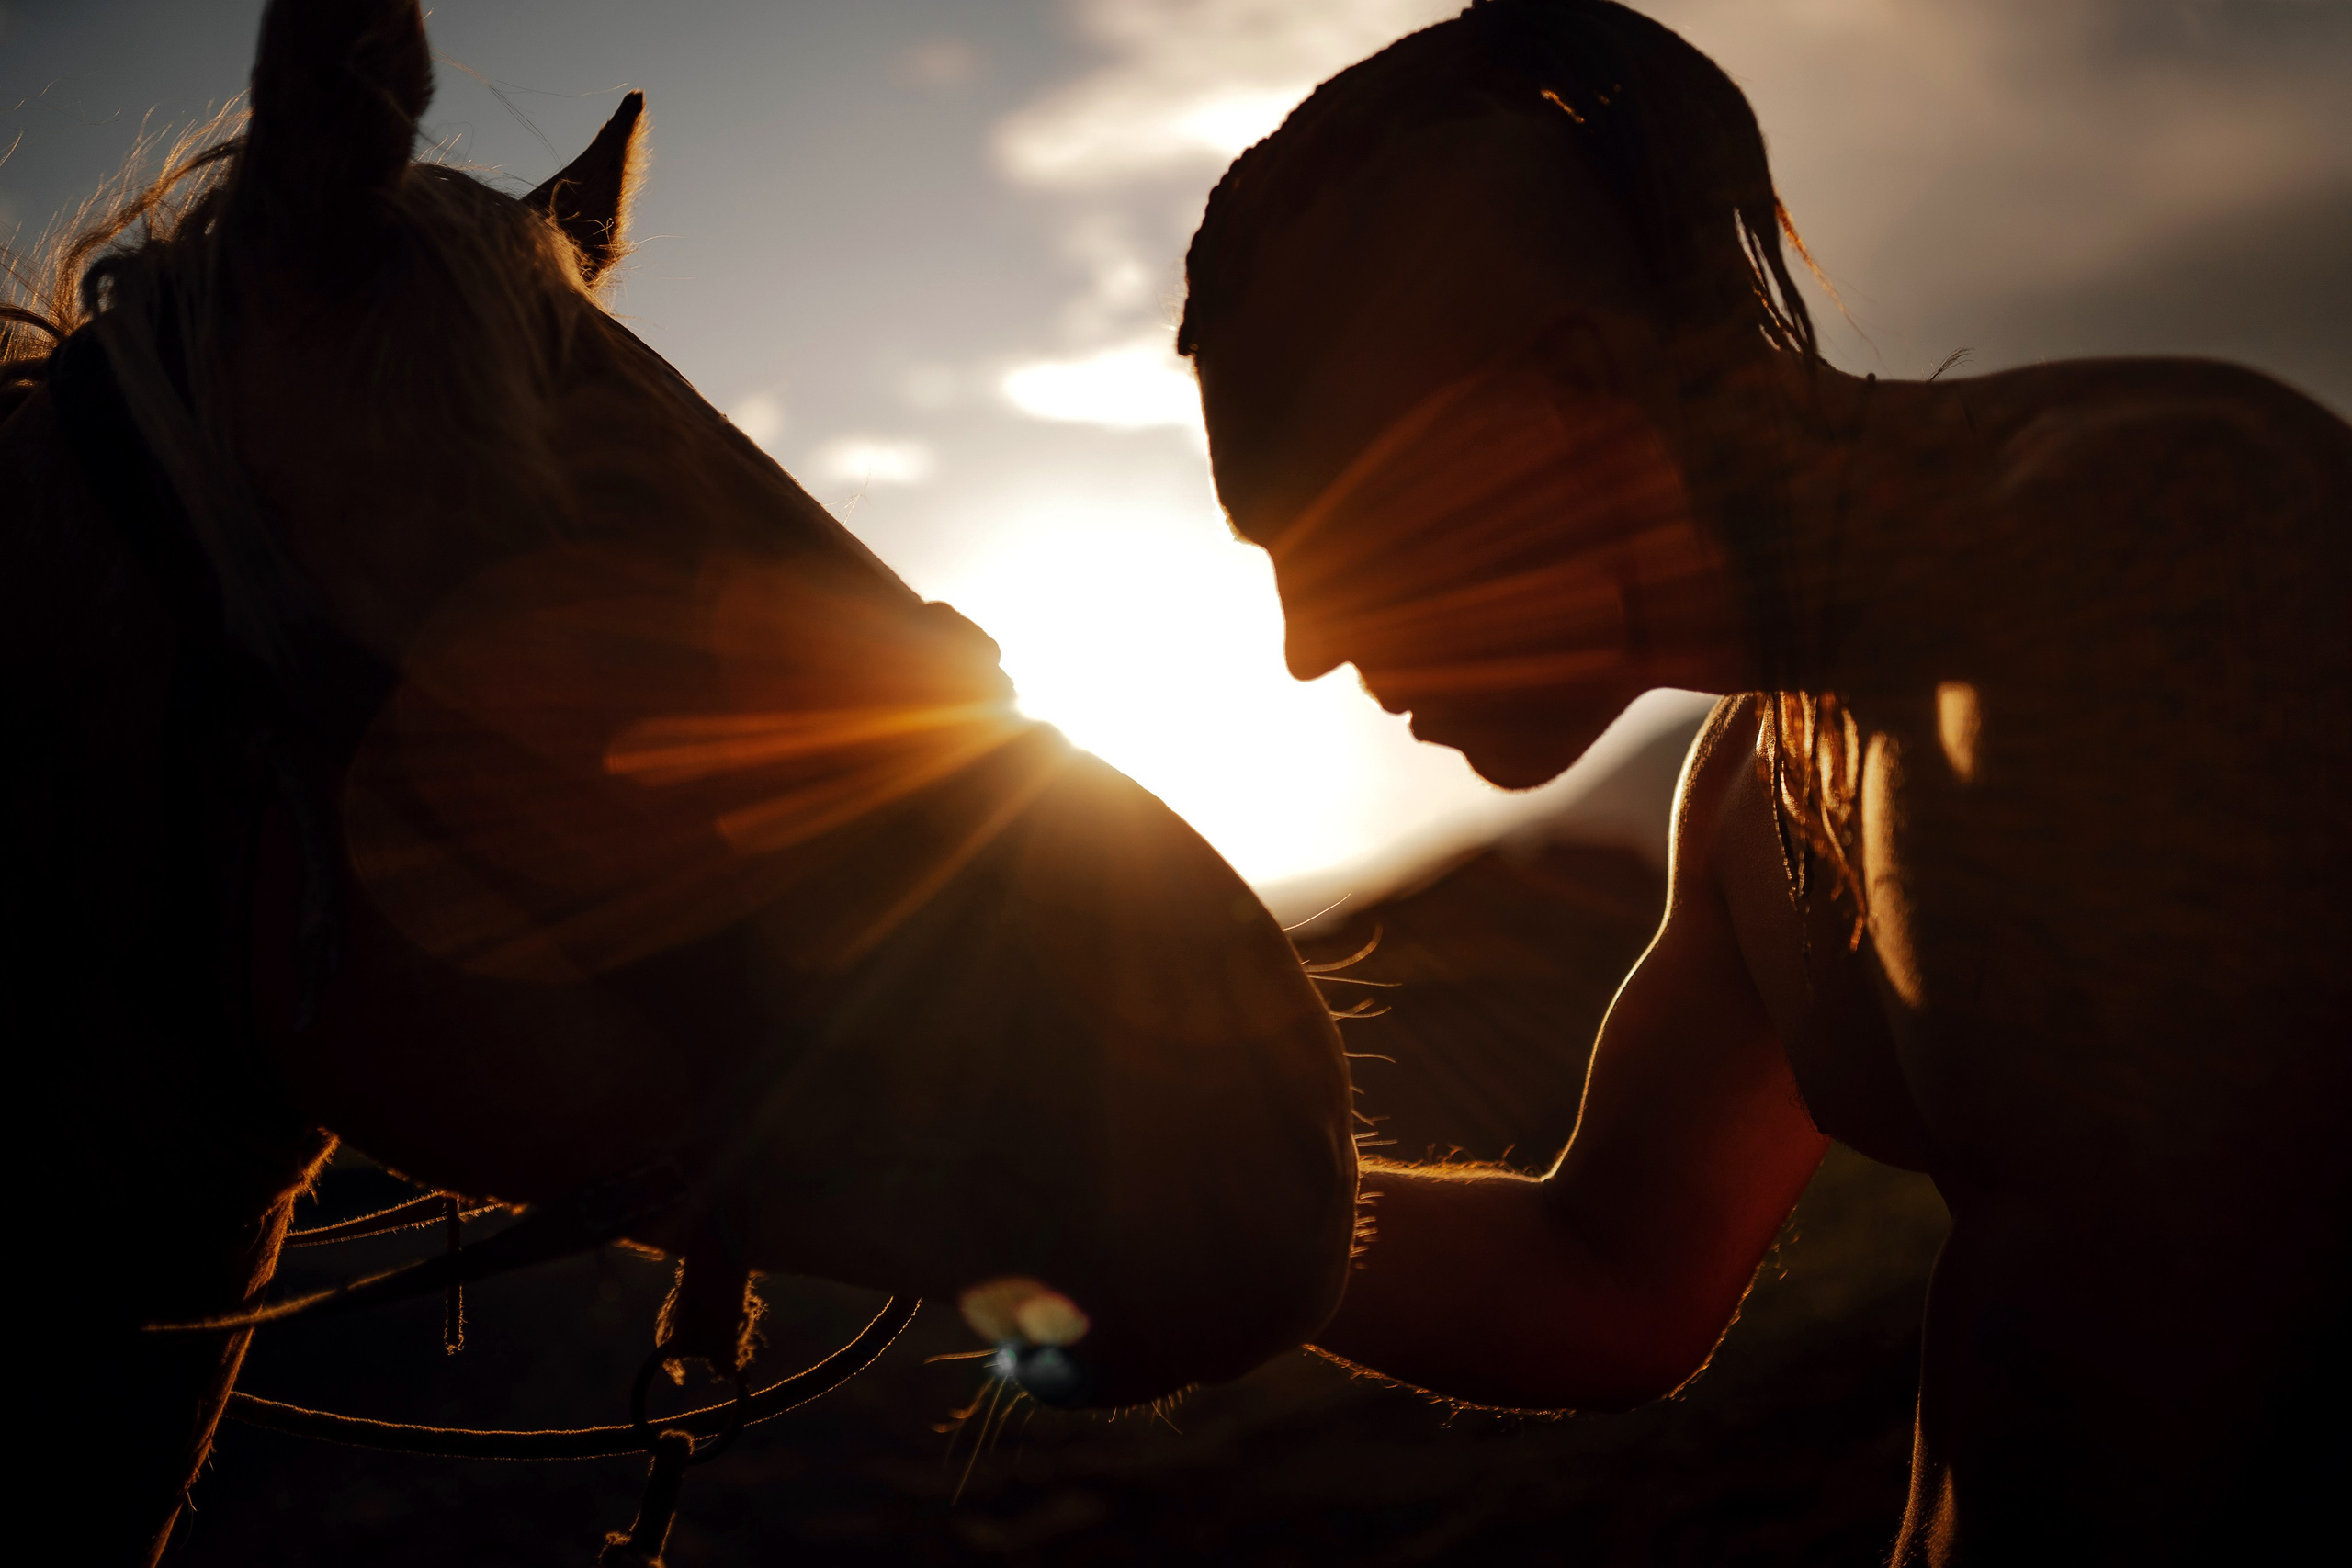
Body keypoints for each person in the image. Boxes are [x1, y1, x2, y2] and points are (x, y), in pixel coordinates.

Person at [1174, 3, 2352, 1562]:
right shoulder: (1760, 784)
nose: (1306, 649)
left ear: (1566, 402)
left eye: (1325, 531)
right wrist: (1107, 1166)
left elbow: (2214, 1391)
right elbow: (1606, 1281)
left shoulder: (2149, 554)